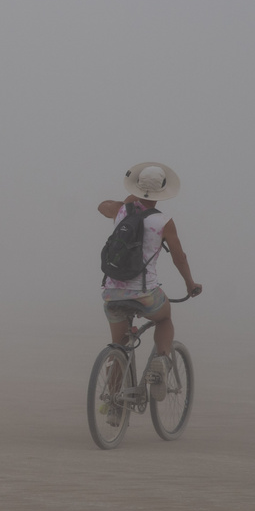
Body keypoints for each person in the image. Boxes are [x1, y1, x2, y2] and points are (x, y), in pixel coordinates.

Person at [97, 162, 203, 387]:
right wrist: (190, 284)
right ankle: (161, 363)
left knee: (119, 344)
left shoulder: (120, 211)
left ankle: (113, 405)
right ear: (163, 191)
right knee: (165, 318)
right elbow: (179, 257)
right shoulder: (164, 222)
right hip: (145, 293)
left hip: (112, 292)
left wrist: (130, 199)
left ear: (136, 187)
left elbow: (101, 206)